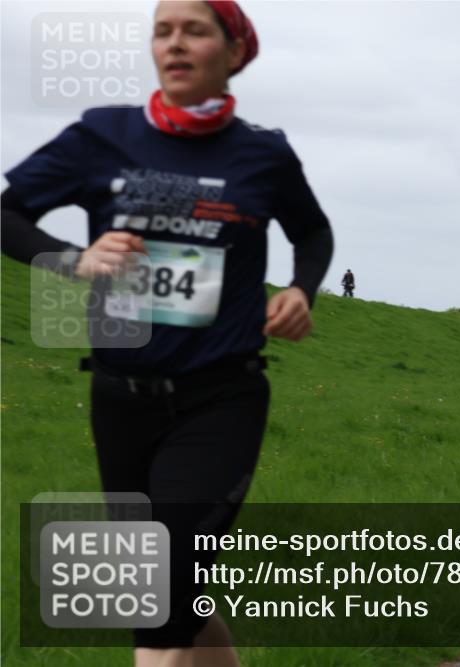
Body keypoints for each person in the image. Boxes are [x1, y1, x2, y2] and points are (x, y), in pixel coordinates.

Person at [1, 2, 333, 665]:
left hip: (221, 396)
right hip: (121, 396)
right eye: (163, 31)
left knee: (158, 591)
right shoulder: (103, 135)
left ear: (234, 52)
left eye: (195, 30)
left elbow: (312, 231)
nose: (175, 43)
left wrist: (300, 289)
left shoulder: (263, 154)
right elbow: (8, 213)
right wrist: (74, 259)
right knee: (169, 589)